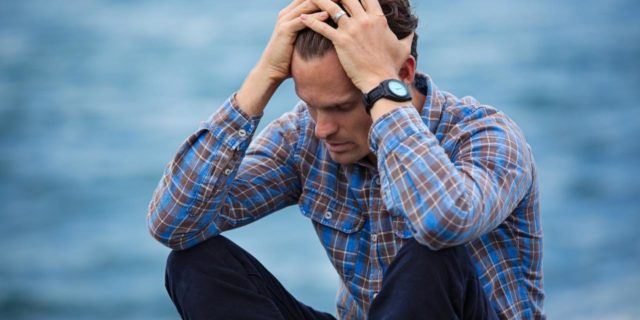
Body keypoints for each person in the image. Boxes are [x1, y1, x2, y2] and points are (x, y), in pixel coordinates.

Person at [147, 0, 544, 318]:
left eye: (340, 107)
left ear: (402, 74)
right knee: (194, 264)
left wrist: (379, 87)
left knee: (431, 254)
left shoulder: (486, 136)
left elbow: (442, 222)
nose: (322, 128)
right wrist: (263, 77)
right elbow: (173, 225)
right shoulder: (305, 135)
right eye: (311, 105)